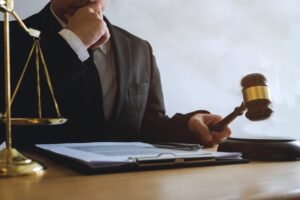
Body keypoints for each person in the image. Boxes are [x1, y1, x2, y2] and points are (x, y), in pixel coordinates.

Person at [0, 0, 231, 148]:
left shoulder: (139, 49)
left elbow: (148, 126)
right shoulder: (9, 38)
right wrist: (73, 43)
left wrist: (189, 125)